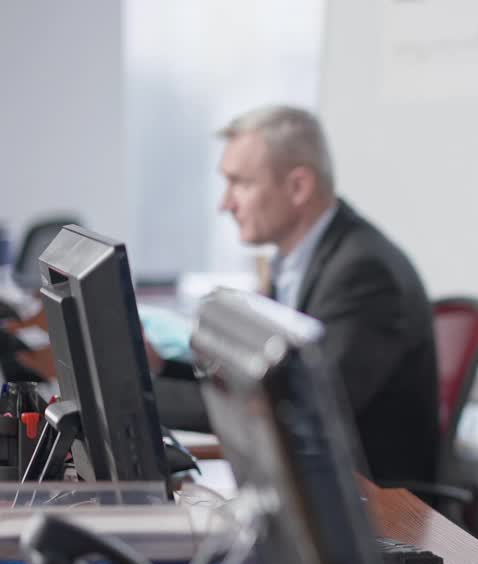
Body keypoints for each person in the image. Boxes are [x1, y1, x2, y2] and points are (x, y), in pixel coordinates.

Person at [154, 105, 440, 485]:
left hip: (378, 512)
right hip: (308, 489)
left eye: (240, 183)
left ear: (299, 187)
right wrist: (160, 368)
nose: (226, 204)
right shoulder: (292, 264)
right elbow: (253, 382)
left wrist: (139, 399)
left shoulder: (365, 273)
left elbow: (298, 407)